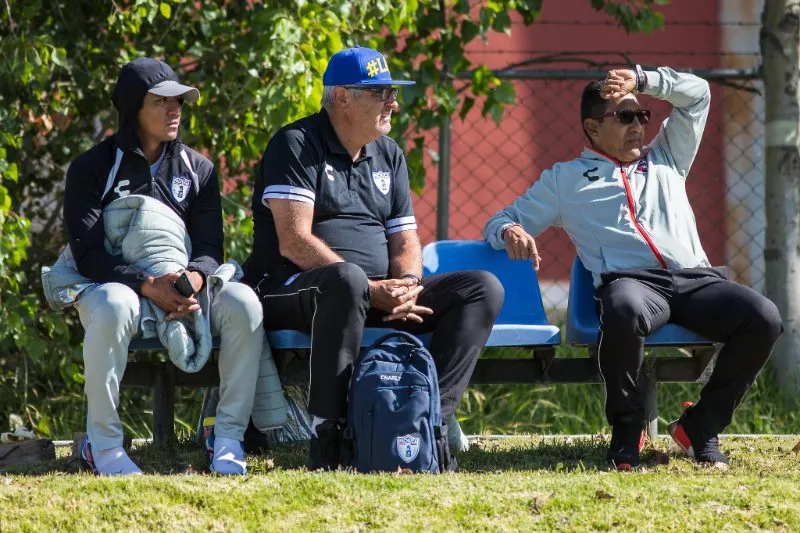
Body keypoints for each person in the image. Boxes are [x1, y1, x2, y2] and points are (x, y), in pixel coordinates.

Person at [484, 66, 782, 470]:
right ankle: (627, 430)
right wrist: (511, 231)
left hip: (695, 279)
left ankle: (700, 427)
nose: (639, 126)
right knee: (622, 308)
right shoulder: (565, 180)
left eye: (642, 116)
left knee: (763, 316)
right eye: (625, 117)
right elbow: (498, 220)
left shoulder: (668, 156)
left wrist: (643, 81)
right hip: (632, 285)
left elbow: (698, 94)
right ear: (592, 127)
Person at [242, 46, 504, 471]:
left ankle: (426, 422)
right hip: (291, 289)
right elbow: (293, 241)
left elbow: (405, 240)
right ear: (342, 97)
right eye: (380, 92)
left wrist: (407, 286)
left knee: (481, 288)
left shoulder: (389, 153)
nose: (393, 103)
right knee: (344, 280)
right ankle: (330, 435)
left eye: (392, 93)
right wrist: (368, 287)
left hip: (375, 294)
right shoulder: (296, 143)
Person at [63, 58, 263, 475]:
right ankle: (104, 447)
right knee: (114, 304)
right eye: (162, 102)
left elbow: (210, 248)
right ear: (134, 107)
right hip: (119, 288)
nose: (175, 111)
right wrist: (148, 284)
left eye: (180, 103)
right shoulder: (91, 169)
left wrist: (191, 281)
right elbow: (88, 254)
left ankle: (226, 438)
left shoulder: (199, 169)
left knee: (244, 303)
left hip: (184, 290)